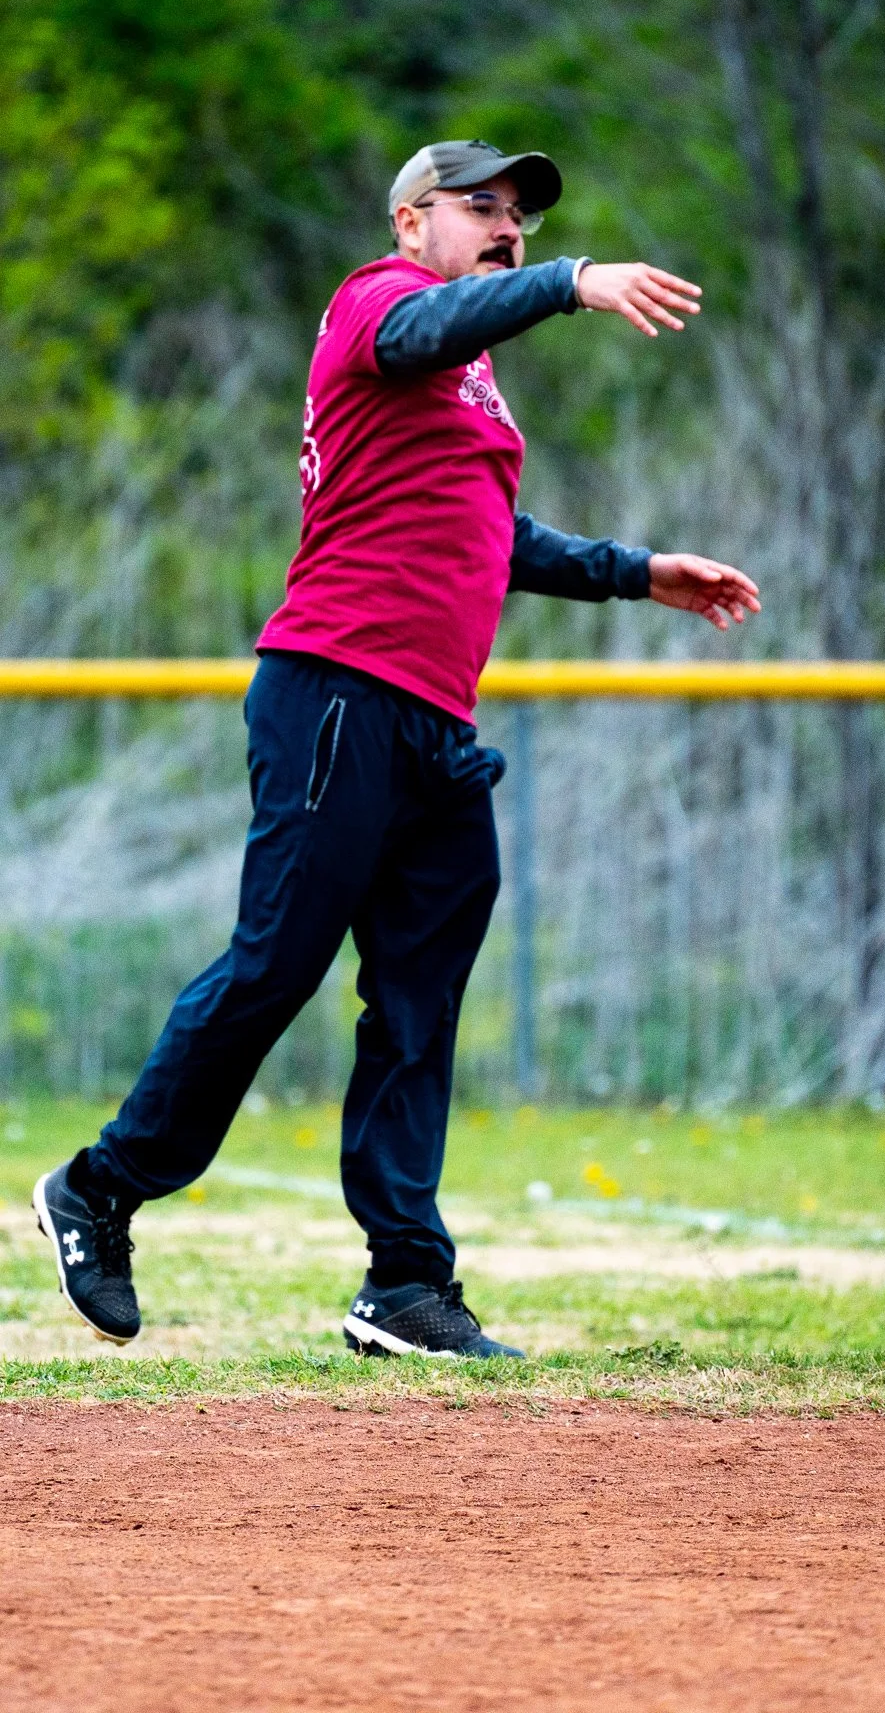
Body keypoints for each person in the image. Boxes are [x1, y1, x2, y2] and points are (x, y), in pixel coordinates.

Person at [33, 138, 760, 1360]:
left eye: (522, 216)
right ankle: (100, 1187)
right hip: (335, 692)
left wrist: (638, 573)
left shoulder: (469, 378)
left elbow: (489, 530)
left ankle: (405, 1284)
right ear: (411, 221)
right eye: (482, 207)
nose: (510, 226)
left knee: (418, 1004)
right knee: (273, 968)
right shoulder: (382, 306)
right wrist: (571, 279)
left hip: (433, 723)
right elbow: (437, 328)